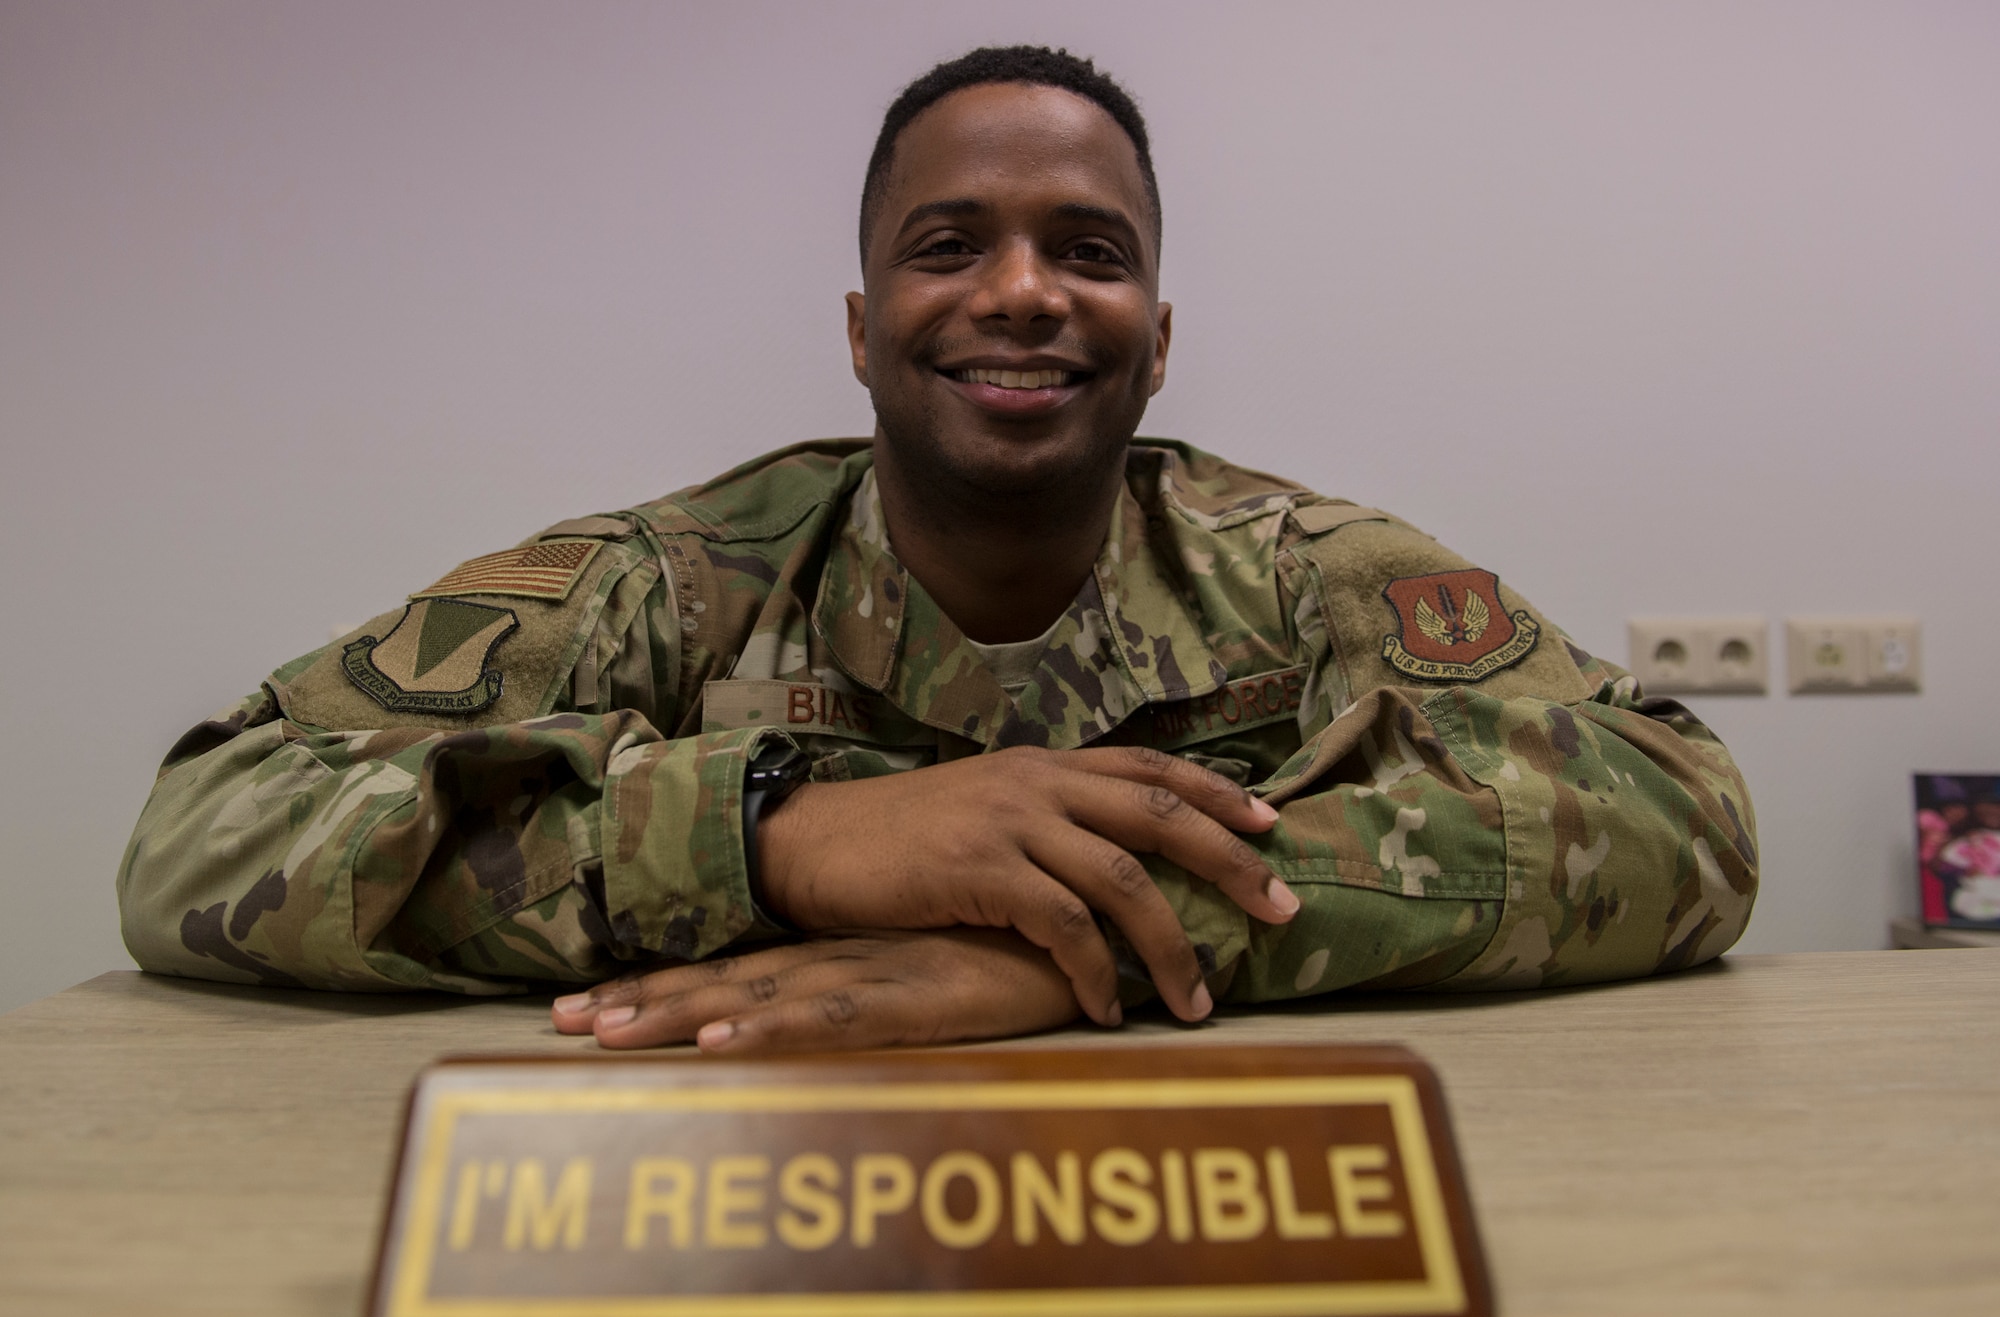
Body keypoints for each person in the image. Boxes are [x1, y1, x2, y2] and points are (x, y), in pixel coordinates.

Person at [117, 46, 1758, 1054]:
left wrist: (1100, 931)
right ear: (860, 329)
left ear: (1159, 337)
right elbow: (194, 837)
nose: (1025, 290)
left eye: (1089, 251)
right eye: (949, 244)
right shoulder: (669, 583)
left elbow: (1685, 815)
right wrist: (779, 841)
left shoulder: (1306, 571)